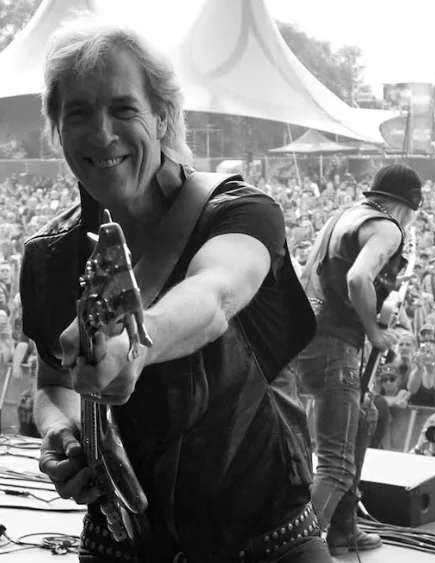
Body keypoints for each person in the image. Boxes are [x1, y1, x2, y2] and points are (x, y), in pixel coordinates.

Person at [21, 16, 325, 563]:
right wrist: (60, 432)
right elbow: (52, 382)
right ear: (56, 130)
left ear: (162, 116)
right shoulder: (49, 256)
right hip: (123, 541)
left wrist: (137, 346)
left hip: (264, 541)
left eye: (123, 109)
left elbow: (215, 295)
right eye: (79, 113)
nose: (102, 133)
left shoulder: (241, 213)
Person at [296, 163, 423, 555]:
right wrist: (374, 330)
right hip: (335, 347)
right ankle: (295, 550)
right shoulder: (388, 228)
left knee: (365, 416)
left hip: (309, 338)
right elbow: (356, 278)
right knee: (336, 465)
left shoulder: (342, 217)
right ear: (408, 207)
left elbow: (315, 277)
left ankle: (343, 529)